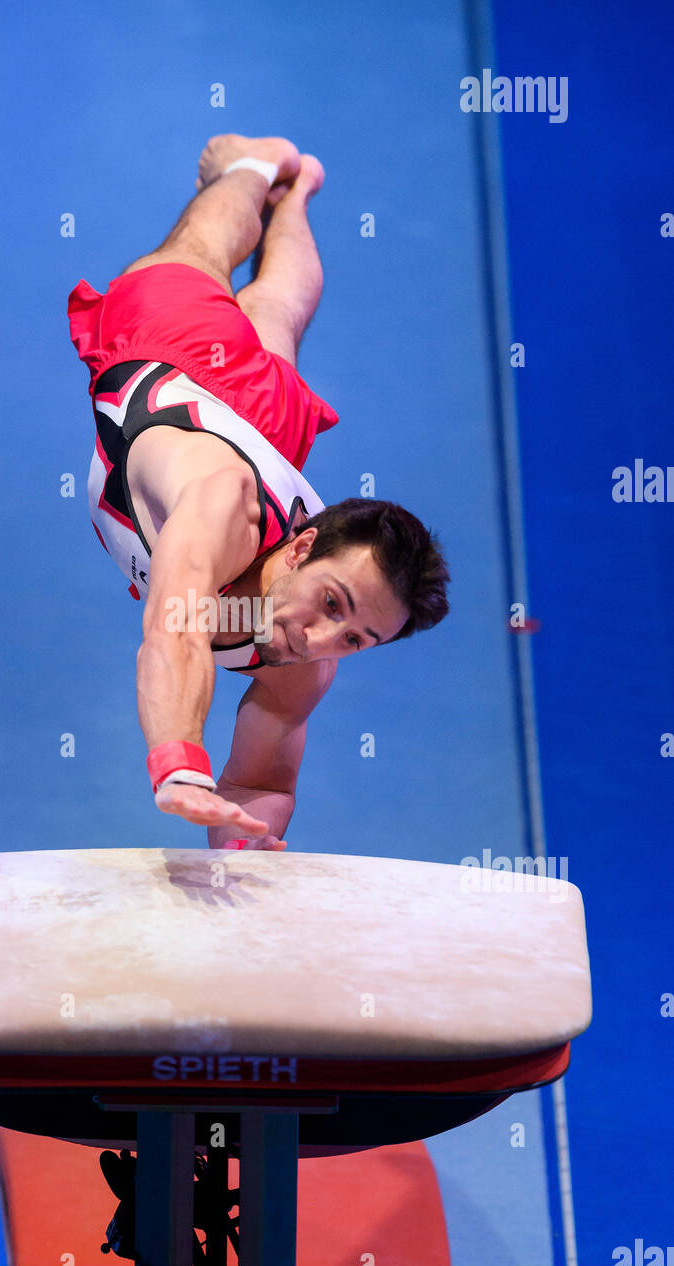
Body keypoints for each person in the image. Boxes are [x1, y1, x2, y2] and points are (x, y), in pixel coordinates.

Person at [68, 134, 449, 851]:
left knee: (278, 311)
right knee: (197, 252)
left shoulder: (311, 661)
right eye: (333, 604)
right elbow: (174, 630)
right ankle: (251, 168)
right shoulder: (219, 506)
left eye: (358, 638)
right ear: (303, 545)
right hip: (168, 346)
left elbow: (267, 784)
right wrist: (180, 768)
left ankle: (299, 194)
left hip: (261, 433)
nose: (322, 641)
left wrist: (245, 837)